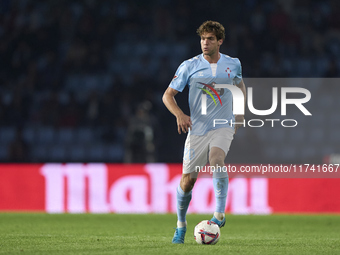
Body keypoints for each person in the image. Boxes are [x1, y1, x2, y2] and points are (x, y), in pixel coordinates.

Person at [162, 20, 246, 244]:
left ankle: (219, 214)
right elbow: (167, 95)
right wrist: (180, 114)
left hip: (222, 124)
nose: (205, 43)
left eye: (210, 39)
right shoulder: (188, 66)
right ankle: (181, 225)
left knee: (216, 159)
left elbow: (240, 86)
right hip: (197, 129)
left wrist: (239, 114)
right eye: (202, 39)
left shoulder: (233, 64)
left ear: (220, 41)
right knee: (187, 182)